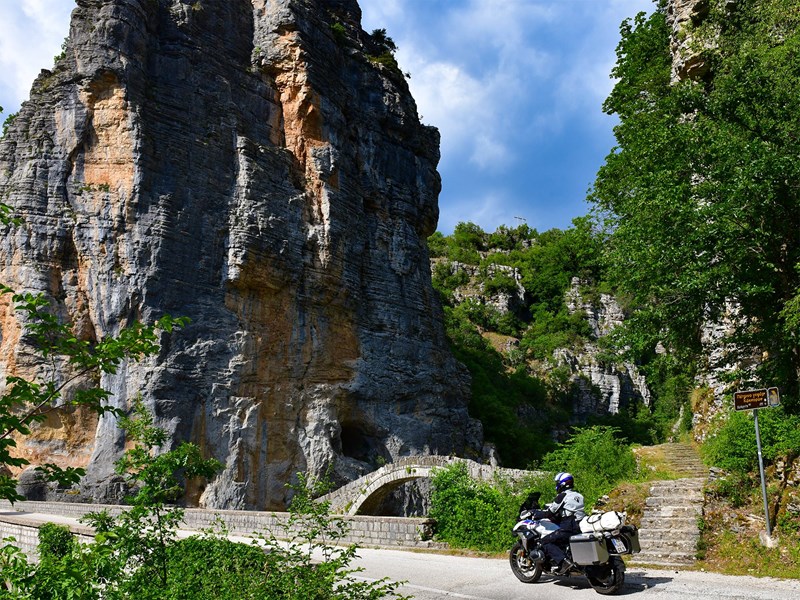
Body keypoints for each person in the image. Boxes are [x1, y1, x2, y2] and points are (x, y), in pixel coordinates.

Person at [533, 472, 586, 575]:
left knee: (545, 542)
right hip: (580, 525)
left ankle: (563, 562)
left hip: (568, 527)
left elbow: (549, 512)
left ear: (561, 484)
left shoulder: (562, 496)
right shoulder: (579, 495)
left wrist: (536, 514)